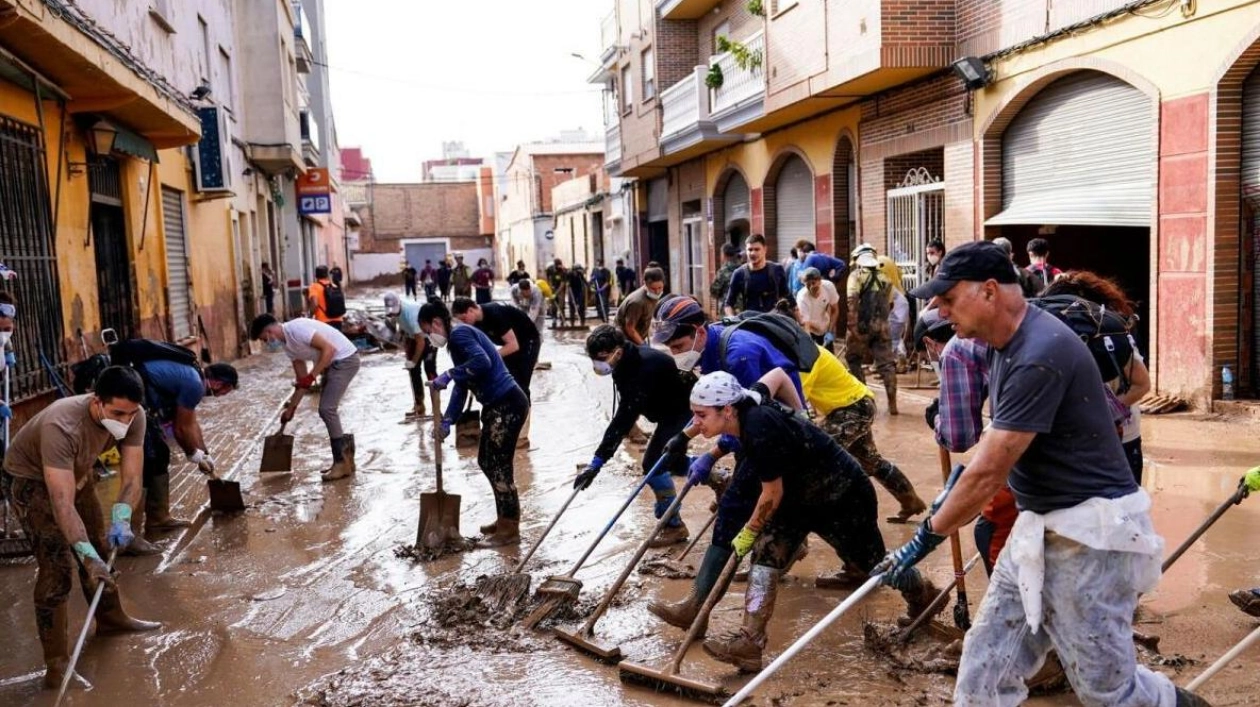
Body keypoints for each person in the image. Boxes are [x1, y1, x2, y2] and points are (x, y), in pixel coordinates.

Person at [877, 241, 1203, 707]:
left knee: (1108, 691)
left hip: (1091, 534)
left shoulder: (1039, 351)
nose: (938, 309)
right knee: (985, 663)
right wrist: (952, 492)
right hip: (1039, 526)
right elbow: (996, 443)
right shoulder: (999, 344)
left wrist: (924, 536)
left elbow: (992, 467)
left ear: (988, 291)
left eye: (948, 298)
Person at [685, 372, 939, 671]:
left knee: (873, 565)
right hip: (798, 500)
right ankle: (750, 642)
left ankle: (921, 592)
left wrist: (749, 530)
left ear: (727, 410)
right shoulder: (744, 415)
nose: (696, 423)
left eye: (701, 415)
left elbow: (771, 492)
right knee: (765, 557)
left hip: (841, 495)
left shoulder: (759, 426)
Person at [1, 366, 161, 689]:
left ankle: (111, 618)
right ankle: (57, 664)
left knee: (102, 549)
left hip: (76, 473)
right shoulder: (63, 425)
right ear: (96, 401)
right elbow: (61, 504)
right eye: (118, 413)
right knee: (58, 567)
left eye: (130, 414)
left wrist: (122, 515)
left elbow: (131, 478)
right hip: (31, 483)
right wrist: (84, 553)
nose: (125, 421)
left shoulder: (134, 415)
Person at [421, 298, 529, 546]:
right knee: (487, 461)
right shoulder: (456, 343)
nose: (429, 338)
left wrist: (448, 374)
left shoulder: (459, 336)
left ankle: (509, 530)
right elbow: (462, 386)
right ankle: (505, 519)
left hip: (507, 404)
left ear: (437, 322)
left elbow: (483, 362)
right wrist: (448, 420)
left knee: (497, 465)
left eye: (428, 331)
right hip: (499, 405)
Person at [574, 325, 694, 547]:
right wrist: (596, 463)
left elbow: (623, 419)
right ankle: (715, 474)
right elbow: (625, 411)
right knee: (673, 465)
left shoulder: (643, 367)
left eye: (602, 358)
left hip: (682, 411)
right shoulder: (623, 363)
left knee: (654, 465)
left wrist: (597, 461)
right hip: (666, 411)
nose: (598, 364)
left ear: (617, 351)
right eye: (594, 358)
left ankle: (674, 526)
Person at [1042, 272, 1151, 484]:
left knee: (1122, 509)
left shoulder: (1110, 335)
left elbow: (1142, 384)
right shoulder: (1051, 338)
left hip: (1120, 436)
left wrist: (1101, 416)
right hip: (1074, 441)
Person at [126, 351, 239, 555]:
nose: (222, 396)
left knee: (160, 455)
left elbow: (191, 423)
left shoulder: (194, 378)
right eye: (226, 391)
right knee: (146, 463)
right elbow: (180, 429)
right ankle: (129, 536)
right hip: (130, 402)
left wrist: (205, 453)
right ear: (219, 384)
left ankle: (158, 519)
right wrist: (193, 455)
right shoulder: (195, 384)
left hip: (141, 402)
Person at [251, 313, 360, 482]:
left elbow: (329, 349)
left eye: (264, 339)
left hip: (345, 360)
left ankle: (340, 463)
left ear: (269, 331)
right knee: (327, 409)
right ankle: (347, 462)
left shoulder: (297, 329)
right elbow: (302, 381)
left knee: (327, 409)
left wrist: (313, 375)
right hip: (333, 364)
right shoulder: (289, 348)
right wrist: (291, 408)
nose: (267, 343)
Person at [844, 244, 898, 414]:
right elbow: (890, 304)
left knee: (853, 360)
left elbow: (852, 302)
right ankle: (892, 404)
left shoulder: (856, 276)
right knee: (887, 364)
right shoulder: (886, 278)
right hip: (882, 326)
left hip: (862, 326)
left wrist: (852, 327)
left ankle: (865, 401)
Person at [384, 292, 438, 419]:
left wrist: (413, 361)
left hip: (429, 337)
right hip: (414, 336)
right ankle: (419, 405)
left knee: (429, 370)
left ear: (399, 304)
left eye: (394, 311)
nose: (392, 313)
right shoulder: (395, 311)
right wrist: (403, 340)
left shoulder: (411, 314)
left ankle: (436, 407)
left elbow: (421, 342)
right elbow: (402, 326)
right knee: (413, 371)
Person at [725, 234, 788, 316]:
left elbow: (787, 297)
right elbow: (728, 304)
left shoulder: (777, 270)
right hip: (750, 322)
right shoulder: (739, 274)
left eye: (757, 249)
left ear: (765, 249)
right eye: (750, 250)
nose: (753, 253)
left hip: (773, 321)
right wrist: (731, 318)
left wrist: (801, 321)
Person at [615, 266, 665, 345]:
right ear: (645, 284)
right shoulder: (637, 302)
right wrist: (642, 344)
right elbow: (629, 328)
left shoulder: (653, 296)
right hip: (626, 341)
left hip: (638, 336)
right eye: (653, 289)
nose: (657, 292)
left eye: (660, 288)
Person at [794, 268, 839, 347]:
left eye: (813, 283)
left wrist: (830, 331)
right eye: (808, 285)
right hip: (811, 330)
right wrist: (809, 343)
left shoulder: (829, 287)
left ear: (820, 281)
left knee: (829, 357)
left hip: (825, 328)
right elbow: (805, 325)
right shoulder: (802, 297)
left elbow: (835, 310)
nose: (811, 287)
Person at [308, 265, 346, 332]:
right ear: (327, 275)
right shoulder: (334, 285)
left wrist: (310, 316)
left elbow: (315, 303)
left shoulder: (314, 287)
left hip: (323, 321)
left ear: (316, 275)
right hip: (338, 320)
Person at [709, 243, 742, 314]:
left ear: (724, 255)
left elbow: (714, 291)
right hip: (743, 310)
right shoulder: (743, 269)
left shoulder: (723, 271)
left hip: (727, 311)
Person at [546, 258, 569, 324]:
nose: (559, 267)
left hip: (561, 289)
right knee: (553, 305)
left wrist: (556, 293)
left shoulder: (563, 271)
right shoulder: (550, 269)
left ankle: (562, 318)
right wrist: (550, 289)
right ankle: (554, 318)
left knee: (561, 304)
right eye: (557, 266)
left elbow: (562, 284)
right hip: (553, 288)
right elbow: (548, 279)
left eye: (560, 265)